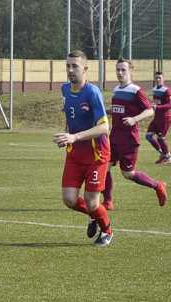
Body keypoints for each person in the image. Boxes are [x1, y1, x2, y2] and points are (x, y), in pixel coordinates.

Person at [53, 50, 113, 247]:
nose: (70, 70)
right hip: (75, 154)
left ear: (85, 69)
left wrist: (74, 136)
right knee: (69, 199)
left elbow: (105, 127)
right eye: (68, 66)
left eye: (75, 66)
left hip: (96, 155)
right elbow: (71, 115)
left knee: (92, 201)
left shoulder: (92, 93)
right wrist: (66, 134)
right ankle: (93, 215)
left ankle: (107, 231)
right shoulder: (65, 90)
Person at [101, 58, 167, 211]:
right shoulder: (117, 89)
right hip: (114, 136)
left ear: (130, 71)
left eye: (123, 70)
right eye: (118, 70)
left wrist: (134, 119)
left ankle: (158, 186)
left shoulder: (136, 90)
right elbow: (119, 110)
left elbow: (150, 110)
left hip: (128, 139)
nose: (120, 73)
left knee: (128, 173)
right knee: (105, 167)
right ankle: (108, 202)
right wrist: (103, 111)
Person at [146, 71, 171, 165]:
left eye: (160, 78)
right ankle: (162, 154)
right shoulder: (154, 89)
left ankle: (169, 159)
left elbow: (170, 105)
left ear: (163, 79)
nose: (158, 79)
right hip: (157, 117)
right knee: (148, 136)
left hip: (165, 118)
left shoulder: (167, 90)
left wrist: (157, 107)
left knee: (160, 138)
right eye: (156, 78)